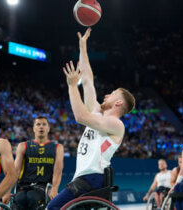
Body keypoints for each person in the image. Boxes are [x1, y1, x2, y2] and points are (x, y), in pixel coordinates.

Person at [48, 28, 136, 210]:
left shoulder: (116, 125)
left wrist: (72, 86)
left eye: (111, 94)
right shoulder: (97, 112)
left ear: (118, 102)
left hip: (92, 178)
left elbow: (80, 116)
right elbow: (88, 80)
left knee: (53, 208)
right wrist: (83, 46)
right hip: (83, 177)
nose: (106, 95)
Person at [3, 116, 64, 210]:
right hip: (24, 186)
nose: (41, 127)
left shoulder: (57, 148)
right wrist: (7, 191)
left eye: (44, 124)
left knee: (32, 197)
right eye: (38, 124)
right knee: (20, 199)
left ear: (48, 128)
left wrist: (55, 188)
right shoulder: (23, 146)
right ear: (34, 128)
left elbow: (58, 171)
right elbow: (15, 171)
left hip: (43, 186)